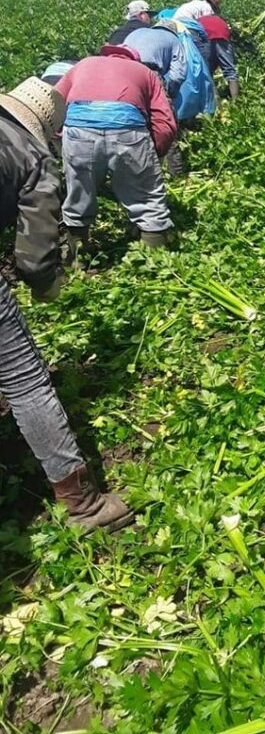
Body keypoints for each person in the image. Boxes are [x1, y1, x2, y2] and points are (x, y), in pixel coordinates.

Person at [0, 78, 133, 531]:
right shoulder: (29, 153)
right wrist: (45, 286)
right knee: (24, 380)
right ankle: (86, 507)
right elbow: (35, 256)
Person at [55, 45, 177, 253]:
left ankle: (77, 259)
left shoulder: (83, 64)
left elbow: (53, 101)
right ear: (134, 59)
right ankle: (154, 265)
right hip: (128, 130)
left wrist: (60, 139)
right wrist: (152, 155)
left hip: (78, 131)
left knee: (79, 192)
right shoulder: (144, 72)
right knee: (147, 197)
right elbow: (164, 122)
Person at [124, 19, 187, 100]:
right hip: (148, 70)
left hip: (125, 66)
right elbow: (177, 75)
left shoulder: (137, 32)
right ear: (173, 32)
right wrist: (171, 95)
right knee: (162, 108)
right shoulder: (174, 40)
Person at [198, 14, 239, 99]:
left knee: (207, 72)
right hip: (223, 38)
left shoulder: (198, 20)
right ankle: (236, 101)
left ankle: (217, 104)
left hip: (206, 38)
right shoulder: (221, 21)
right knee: (230, 70)